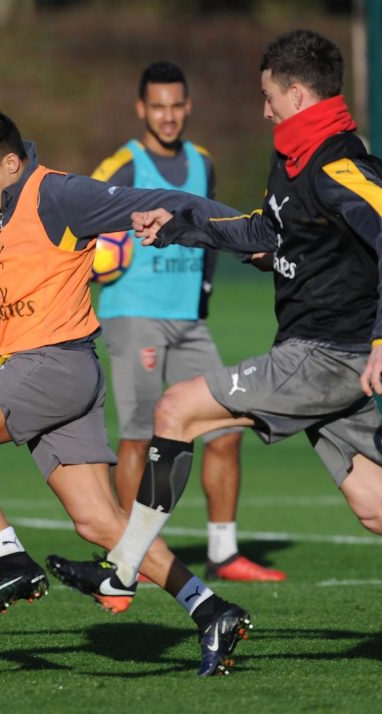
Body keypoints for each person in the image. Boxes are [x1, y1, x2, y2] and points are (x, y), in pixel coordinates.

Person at [45, 30, 382, 679]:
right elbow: (266, 228)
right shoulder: (293, 160)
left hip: (326, 357)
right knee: (381, 507)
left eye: (267, 97)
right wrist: (176, 224)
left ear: (295, 93)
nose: (261, 110)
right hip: (315, 353)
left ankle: (121, 573)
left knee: (176, 410)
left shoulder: (339, 165)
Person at [0, 106, 251, 676]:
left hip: (50, 368)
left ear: (12, 164)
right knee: (100, 524)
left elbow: (169, 203)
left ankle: (10, 560)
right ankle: (209, 607)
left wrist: (254, 234)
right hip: (61, 375)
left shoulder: (60, 196)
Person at [90, 61, 284, 582]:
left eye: (177, 106)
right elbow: (82, 216)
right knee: (137, 438)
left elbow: (214, 231)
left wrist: (204, 293)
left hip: (189, 322)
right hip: (135, 316)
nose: (169, 116)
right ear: (141, 109)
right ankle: (127, 565)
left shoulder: (203, 162)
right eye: (158, 106)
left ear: (188, 106)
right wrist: (100, 259)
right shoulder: (123, 165)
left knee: (224, 430)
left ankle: (223, 552)